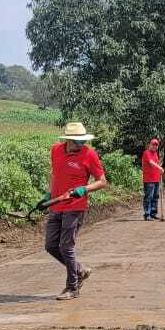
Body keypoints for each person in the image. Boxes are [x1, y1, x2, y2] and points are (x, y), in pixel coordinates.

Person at [46, 122, 108, 299]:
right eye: (77, 141)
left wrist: (85, 189)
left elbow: (102, 181)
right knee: (50, 246)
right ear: (68, 140)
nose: (81, 144)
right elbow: (54, 173)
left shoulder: (89, 154)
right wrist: (49, 193)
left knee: (66, 246)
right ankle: (79, 270)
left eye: (83, 141)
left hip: (75, 206)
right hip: (56, 204)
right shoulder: (56, 150)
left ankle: (72, 288)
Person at [141, 138, 164, 219]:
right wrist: (159, 168)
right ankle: (147, 214)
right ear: (149, 145)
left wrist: (159, 170)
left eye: (156, 145)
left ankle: (153, 213)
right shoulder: (146, 152)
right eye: (153, 144)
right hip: (149, 179)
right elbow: (151, 163)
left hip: (156, 179)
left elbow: (157, 164)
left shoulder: (155, 154)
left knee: (155, 196)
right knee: (149, 196)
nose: (154, 146)